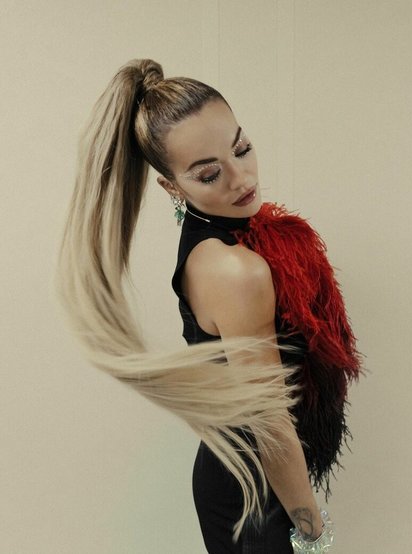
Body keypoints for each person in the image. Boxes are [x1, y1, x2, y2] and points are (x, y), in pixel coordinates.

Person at [55, 58, 365, 553]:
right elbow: (270, 424)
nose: (240, 179)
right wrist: (311, 529)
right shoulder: (233, 270)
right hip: (252, 494)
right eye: (208, 173)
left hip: (248, 477)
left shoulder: (224, 243)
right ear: (171, 187)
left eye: (241, 148)